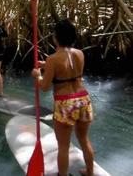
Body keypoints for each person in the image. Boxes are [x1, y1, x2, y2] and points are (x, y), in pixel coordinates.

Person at [31, 19, 94, 176]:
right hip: (83, 99)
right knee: (84, 140)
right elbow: (69, 69)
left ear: (55, 37)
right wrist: (46, 65)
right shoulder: (80, 53)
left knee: (64, 147)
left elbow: (44, 86)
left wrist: (37, 75)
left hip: (65, 103)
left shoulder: (53, 59)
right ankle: (89, 172)